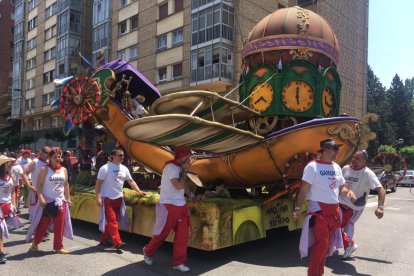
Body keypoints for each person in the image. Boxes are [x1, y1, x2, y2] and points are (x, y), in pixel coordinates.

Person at [293, 138, 356, 276]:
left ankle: (319, 273)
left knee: (327, 248)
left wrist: (348, 192)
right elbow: (303, 190)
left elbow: (341, 189)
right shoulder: (312, 166)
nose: (337, 152)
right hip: (318, 211)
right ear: (325, 150)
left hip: (333, 212)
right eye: (335, 149)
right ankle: (313, 273)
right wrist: (297, 209)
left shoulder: (336, 167)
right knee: (322, 244)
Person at [143, 146, 193, 273]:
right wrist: (186, 171)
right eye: (189, 156)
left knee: (182, 236)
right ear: (182, 156)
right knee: (161, 234)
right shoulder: (171, 167)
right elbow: (178, 185)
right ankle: (148, 252)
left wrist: (192, 195)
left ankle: (178, 262)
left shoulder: (180, 167)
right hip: (168, 205)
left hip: (180, 205)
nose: (190, 159)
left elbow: (184, 186)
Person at [95, 148, 146, 249]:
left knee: (113, 222)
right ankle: (117, 242)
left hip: (119, 198)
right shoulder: (105, 168)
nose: (122, 157)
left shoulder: (124, 168)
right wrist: (98, 197)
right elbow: (98, 183)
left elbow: (131, 181)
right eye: (120, 155)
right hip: (107, 198)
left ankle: (103, 239)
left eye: (123, 155)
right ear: (112, 156)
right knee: (112, 221)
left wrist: (139, 191)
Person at [339, 150, 386, 259]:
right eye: (354, 157)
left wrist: (380, 207)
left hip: (353, 207)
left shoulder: (367, 173)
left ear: (364, 161)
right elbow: (338, 184)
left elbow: (381, 189)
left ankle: (349, 245)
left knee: (337, 226)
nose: (354, 160)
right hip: (340, 201)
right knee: (333, 225)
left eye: (357, 158)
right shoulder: (345, 169)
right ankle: (345, 245)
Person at [26, 147, 73, 254]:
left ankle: (58, 247)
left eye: (59, 156)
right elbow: (39, 185)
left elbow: (65, 185)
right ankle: (35, 244)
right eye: (55, 156)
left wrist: (68, 198)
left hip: (60, 201)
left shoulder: (64, 170)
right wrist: (41, 198)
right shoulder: (45, 169)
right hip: (47, 202)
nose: (58, 158)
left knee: (59, 225)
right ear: (50, 158)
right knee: (43, 225)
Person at [0, 155, 21, 264]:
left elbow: (12, 191)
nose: (11, 165)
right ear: (3, 165)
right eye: (9, 163)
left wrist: (14, 204)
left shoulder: (11, 177)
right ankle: (1, 253)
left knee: (1, 231)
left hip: (7, 206)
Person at [22, 146, 51, 221]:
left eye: (50, 153)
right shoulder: (35, 162)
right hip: (36, 191)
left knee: (46, 213)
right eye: (46, 153)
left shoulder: (49, 162)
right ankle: (36, 229)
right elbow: (24, 174)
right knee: (36, 213)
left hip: (48, 192)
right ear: (42, 153)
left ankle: (42, 229)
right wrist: (29, 186)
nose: (48, 155)